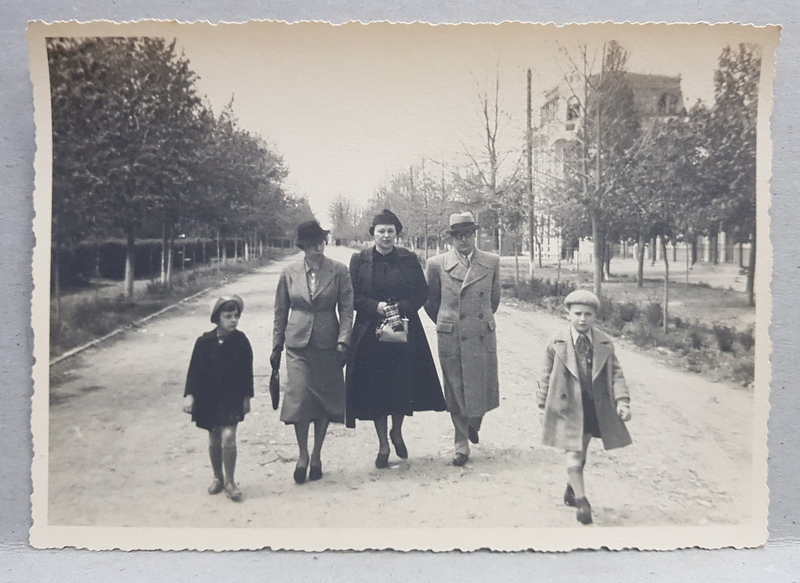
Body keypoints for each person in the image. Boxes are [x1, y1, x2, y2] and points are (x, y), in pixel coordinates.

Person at [346, 209, 446, 468]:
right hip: (370, 332)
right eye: (381, 231)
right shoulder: (359, 260)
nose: (386, 236)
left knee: (401, 383)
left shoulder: (408, 259)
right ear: (373, 233)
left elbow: (421, 293)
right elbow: (353, 296)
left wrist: (399, 309)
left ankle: (397, 431)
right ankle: (382, 444)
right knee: (376, 388)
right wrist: (377, 307)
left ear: (397, 234)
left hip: (404, 331)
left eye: (391, 231)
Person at [537, 289, 632, 525]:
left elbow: (616, 375)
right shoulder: (556, 342)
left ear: (594, 317)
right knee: (574, 453)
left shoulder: (603, 342)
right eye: (577, 313)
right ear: (567, 314)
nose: (582, 319)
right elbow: (545, 375)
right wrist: (541, 405)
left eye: (588, 314)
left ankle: (571, 487)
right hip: (566, 405)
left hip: (592, 406)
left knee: (582, 450)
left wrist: (622, 401)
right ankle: (582, 501)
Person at [271, 220, 354, 484]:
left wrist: (343, 340)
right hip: (297, 344)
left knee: (324, 400)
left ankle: (317, 454)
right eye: (313, 244)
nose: (319, 247)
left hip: (328, 343)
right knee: (299, 398)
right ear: (304, 246)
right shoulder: (289, 273)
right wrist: (276, 345)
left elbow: (346, 309)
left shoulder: (339, 271)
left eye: (321, 242)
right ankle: (302, 455)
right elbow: (280, 312)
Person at [424, 211, 501, 467]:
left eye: (468, 234)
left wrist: (478, 321)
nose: (463, 240)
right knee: (455, 389)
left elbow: (494, 299)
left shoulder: (491, 261)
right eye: (458, 235)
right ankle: (461, 445)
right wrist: (448, 322)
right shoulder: (437, 264)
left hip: (481, 332)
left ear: (474, 235)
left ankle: (473, 422)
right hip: (452, 334)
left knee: (482, 385)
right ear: (451, 238)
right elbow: (430, 301)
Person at [183, 295, 253, 502]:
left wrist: (247, 397)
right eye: (228, 316)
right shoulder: (204, 342)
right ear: (217, 317)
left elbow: (247, 373)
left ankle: (231, 481)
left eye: (236, 316)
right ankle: (218, 477)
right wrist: (190, 395)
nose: (233, 320)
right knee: (214, 437)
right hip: (208, 397)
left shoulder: (241, 341)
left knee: (229, 437)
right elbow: (194, 372)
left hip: (231, 397)